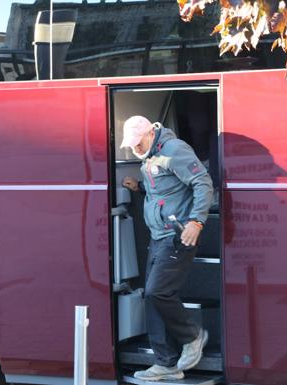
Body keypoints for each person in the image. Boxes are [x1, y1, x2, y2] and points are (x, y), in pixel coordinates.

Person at [120, 115, 213, 381]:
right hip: (159, 236)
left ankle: (193, 336)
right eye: (133, 145)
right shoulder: (150, 156)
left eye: (138, 143)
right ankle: (166, 363)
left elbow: (202, 183)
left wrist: (196, 221)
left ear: (151, 133)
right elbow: (163, 192)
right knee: (152, 299)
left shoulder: (175, 151)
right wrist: (138, 188)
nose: (135, 149)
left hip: (178, 235)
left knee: (157, 292)